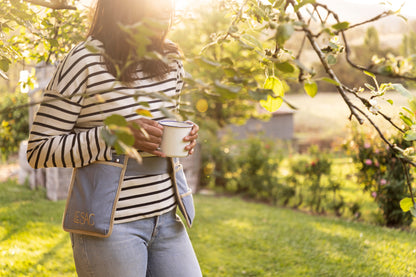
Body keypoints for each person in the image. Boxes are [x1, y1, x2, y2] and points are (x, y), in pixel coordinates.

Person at [26, 0, 202, 276]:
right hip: (109, 229)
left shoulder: (171, 60)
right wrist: (113, 136)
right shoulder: (82, 60)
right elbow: (39, 150)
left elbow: (161, 125)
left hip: (168, 219)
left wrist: (183, 135)